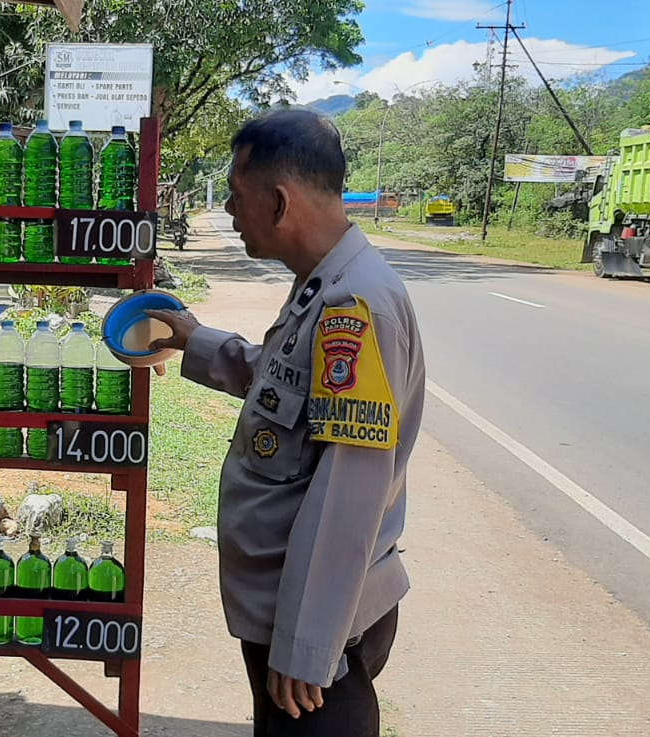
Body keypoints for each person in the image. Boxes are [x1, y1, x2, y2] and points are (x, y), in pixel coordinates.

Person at [147, 109, 425, 737]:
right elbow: (285, 385)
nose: (228, 209)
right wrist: (195, 339)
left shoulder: (353, 304)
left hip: (317, 624)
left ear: (278, 202)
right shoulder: (323, 285)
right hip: (290, 608)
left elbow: (348, 490)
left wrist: (307, 645)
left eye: (235, 195)